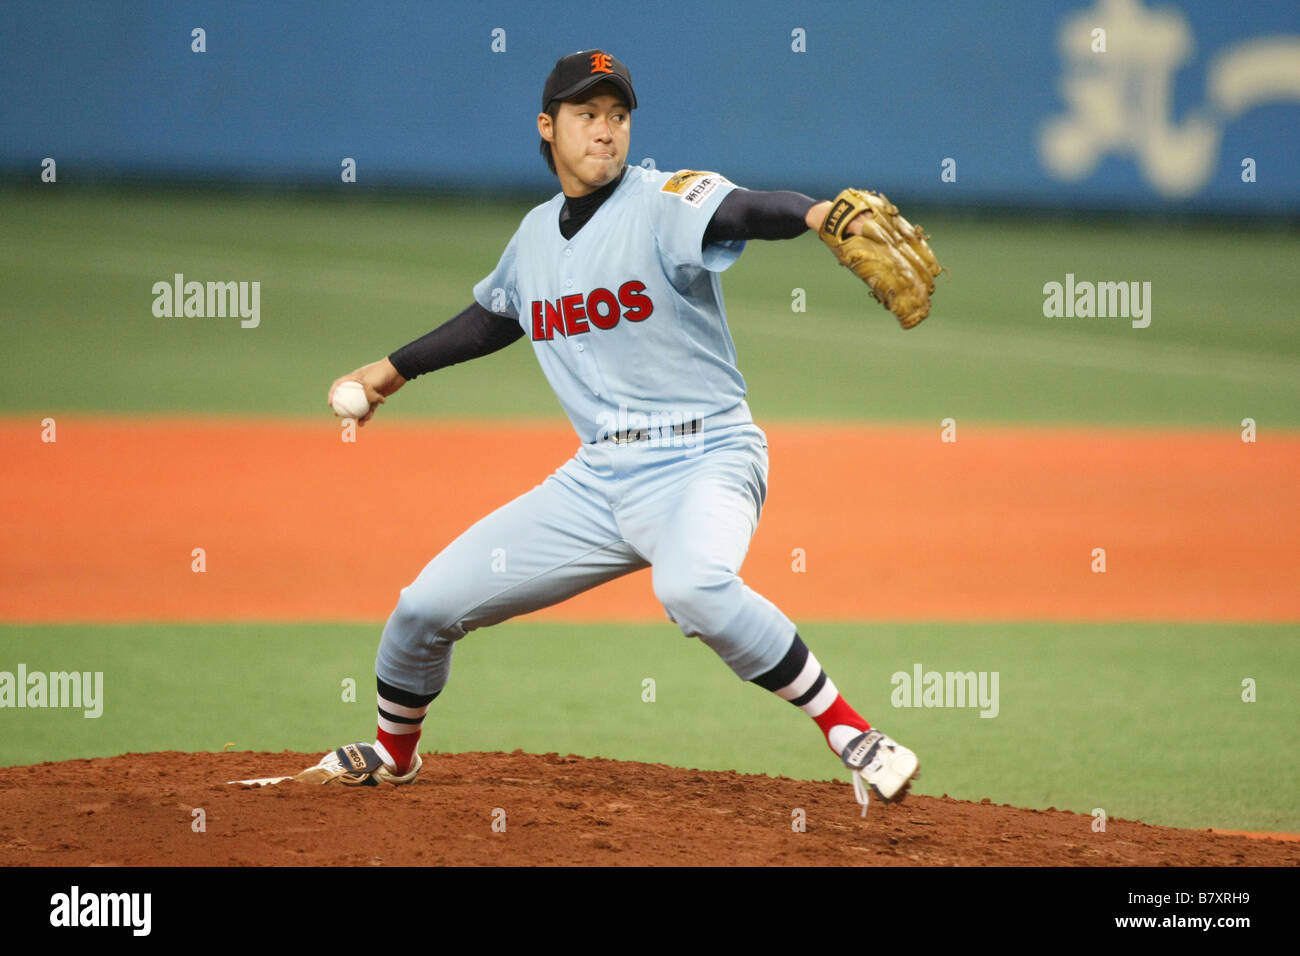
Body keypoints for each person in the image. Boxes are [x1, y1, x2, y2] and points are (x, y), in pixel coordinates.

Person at [300, 49, 919, 814]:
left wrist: (818, 213)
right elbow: (497, 316)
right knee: (422, 610)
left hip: (707, 458)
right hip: (597, 483)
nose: (605, 130)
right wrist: (392, 370)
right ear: (547, 127)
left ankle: (854, 735)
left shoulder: (664, 198)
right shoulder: (533, 236)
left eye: (617, 115)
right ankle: (394, 756)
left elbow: (743, 209)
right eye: (587, 114)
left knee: (692, 586)